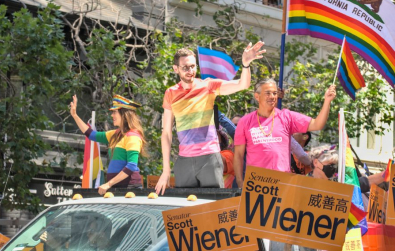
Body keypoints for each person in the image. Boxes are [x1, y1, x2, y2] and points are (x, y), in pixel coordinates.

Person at [155, 42, 266, 195]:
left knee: (212, 209)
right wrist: (166, 171)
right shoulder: (170, 93)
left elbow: (243, 84)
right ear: (176, 69)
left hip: (209, 156)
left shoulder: (208, 86)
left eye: (193, 66)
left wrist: (246, 64)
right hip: (184, 160)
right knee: (184, 211)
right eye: (185, 67)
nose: (190, 71)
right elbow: (166, 133)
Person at [234, 78, 336, 186]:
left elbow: (317, 124)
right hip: (256, 184)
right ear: (257, 96)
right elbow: (238, 155)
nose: (272, 97)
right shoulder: (245, 122)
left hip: (282, 184)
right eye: (267, 93)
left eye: (274, 93)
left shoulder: (287, 117)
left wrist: (327, 101)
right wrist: (240, 183)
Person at [70, 94, 146, 195]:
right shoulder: (115, 134)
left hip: (129, 188)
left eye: (114, 112)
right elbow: (91, 135)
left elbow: (132, 166)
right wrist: (75, 115)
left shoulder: (133, 136)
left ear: (124, 114)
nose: (112, 115)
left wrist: (108, 184)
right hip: (116, 187)